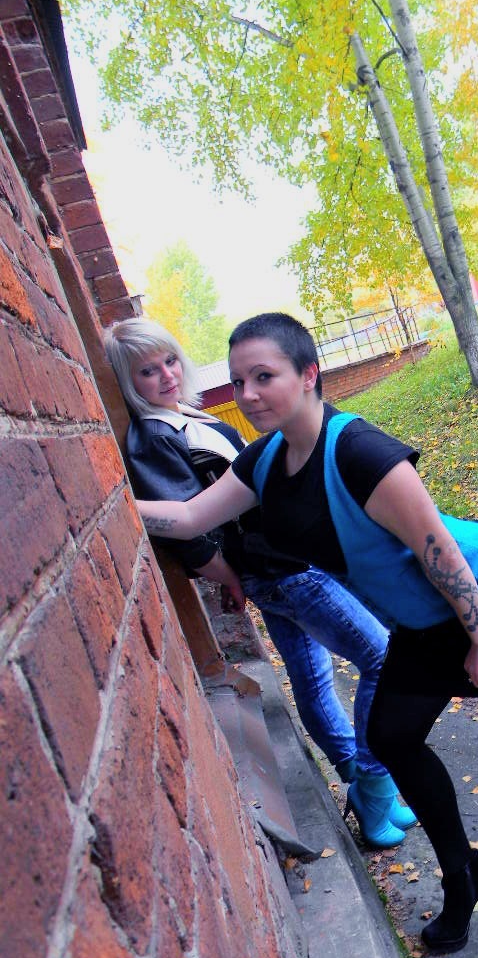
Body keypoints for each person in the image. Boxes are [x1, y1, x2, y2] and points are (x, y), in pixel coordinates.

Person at [135, 312, 478, 954]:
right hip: (418, 622)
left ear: (309, 374)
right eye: (240, 380)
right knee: (392, 736)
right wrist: (114, 496)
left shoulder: (358, 451)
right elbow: (193, 516)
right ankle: (462, 875)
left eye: (264, 376)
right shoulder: (267, 459)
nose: (247, 394)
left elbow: (438, 549)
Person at [104, 317, 417, 849]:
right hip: (279, 569)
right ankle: (373, 783)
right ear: (127, 382)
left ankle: (363, 787)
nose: (166, 375)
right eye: (147, 371)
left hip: (280, 561)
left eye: (170, 360)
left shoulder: (185, 417)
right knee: (381, 657)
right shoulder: (153, 436)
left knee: (312, 678)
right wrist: (233, 577)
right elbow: (188, 530)